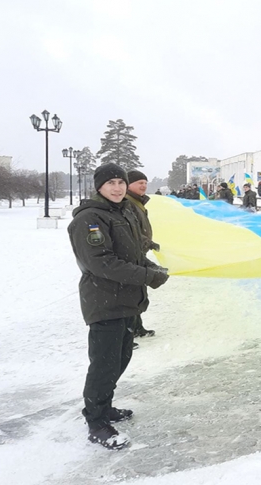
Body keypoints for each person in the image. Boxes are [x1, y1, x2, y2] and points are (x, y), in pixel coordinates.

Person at [68, 164, 170, 450]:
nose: (117, 188)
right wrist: (149, 276)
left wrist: (153, 267)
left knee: (121, 357)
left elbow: (136, 254)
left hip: (126, 300)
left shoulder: (124, 212)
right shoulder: (89, 219)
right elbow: (101, 263)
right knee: (104, 364)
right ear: (99, 186)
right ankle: (97, 421)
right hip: (104, 300)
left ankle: (105, 406)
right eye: (110, 182)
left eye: (120, 182)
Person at [125, 170, 160, 341]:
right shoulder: (128, 203)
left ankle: (136, 327)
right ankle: (128, 332)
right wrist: (147, 242)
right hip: (130, 252)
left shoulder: (136, 202)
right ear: (129, 184)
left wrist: (147, 243)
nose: (144, 186)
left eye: (145, 182)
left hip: (137, 251)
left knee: (137, 290)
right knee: (130, 292)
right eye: (139, 182)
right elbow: (131, 230)